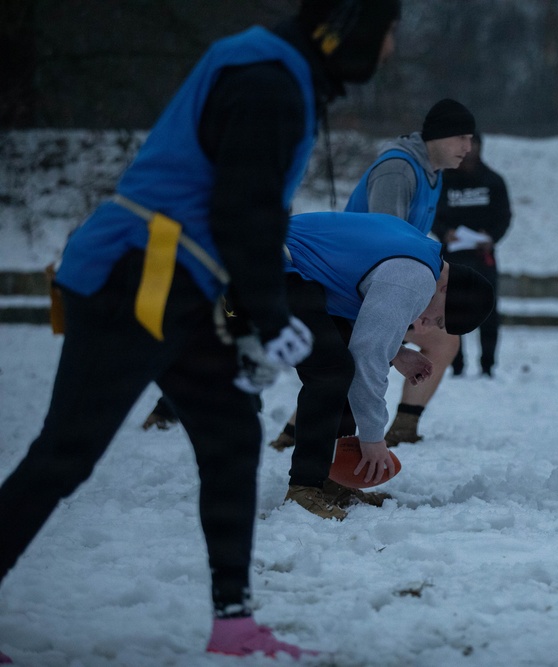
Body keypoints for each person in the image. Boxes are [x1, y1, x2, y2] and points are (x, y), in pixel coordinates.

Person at [0, 0, 400, 660]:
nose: (387, 51)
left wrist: (252, 308)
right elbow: (240, 205)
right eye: (387, 33)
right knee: (67, 451)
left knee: (232, 436)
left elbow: (248, 209)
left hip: (174, 277)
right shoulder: (269, 81)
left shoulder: (281, 72)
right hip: (138, 273)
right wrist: (268, 316)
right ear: (347, 30)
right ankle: (233, 620)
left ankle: (234, 624)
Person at [268, 99, 477, 451]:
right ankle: (358, 436)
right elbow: (388, 238)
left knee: (359, 360)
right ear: (437, 136)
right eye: (461, 137)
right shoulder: (399, 169)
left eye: (470, 139)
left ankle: (381, 429)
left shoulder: (432, 174)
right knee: (362, 358)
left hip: (377, 279)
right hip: (348, 280)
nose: (467, 148)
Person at [279, 211, 494, 519]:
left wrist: (396, 352)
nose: (423, 325)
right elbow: (368, 355)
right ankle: (304, 489)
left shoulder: (421, 253)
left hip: (287, 266)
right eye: (438, 319)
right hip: (264, 261)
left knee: (343, 366)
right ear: (445, 290)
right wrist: (373, 438)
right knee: (332, 371)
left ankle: (326, 480)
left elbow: (363, 325)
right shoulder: (416, 277)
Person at [432, 131, 512, 377]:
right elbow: (432, 213)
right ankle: (456, 365)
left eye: (473, 144)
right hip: (452, 259)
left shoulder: (493, 181)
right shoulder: (442, 181)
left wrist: (491, 238)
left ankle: (487, 366)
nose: (468, 149)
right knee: (452, 311)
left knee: (488, 310)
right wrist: (444, 233)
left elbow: (504, 216)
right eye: (462, 144)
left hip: (482, 258)